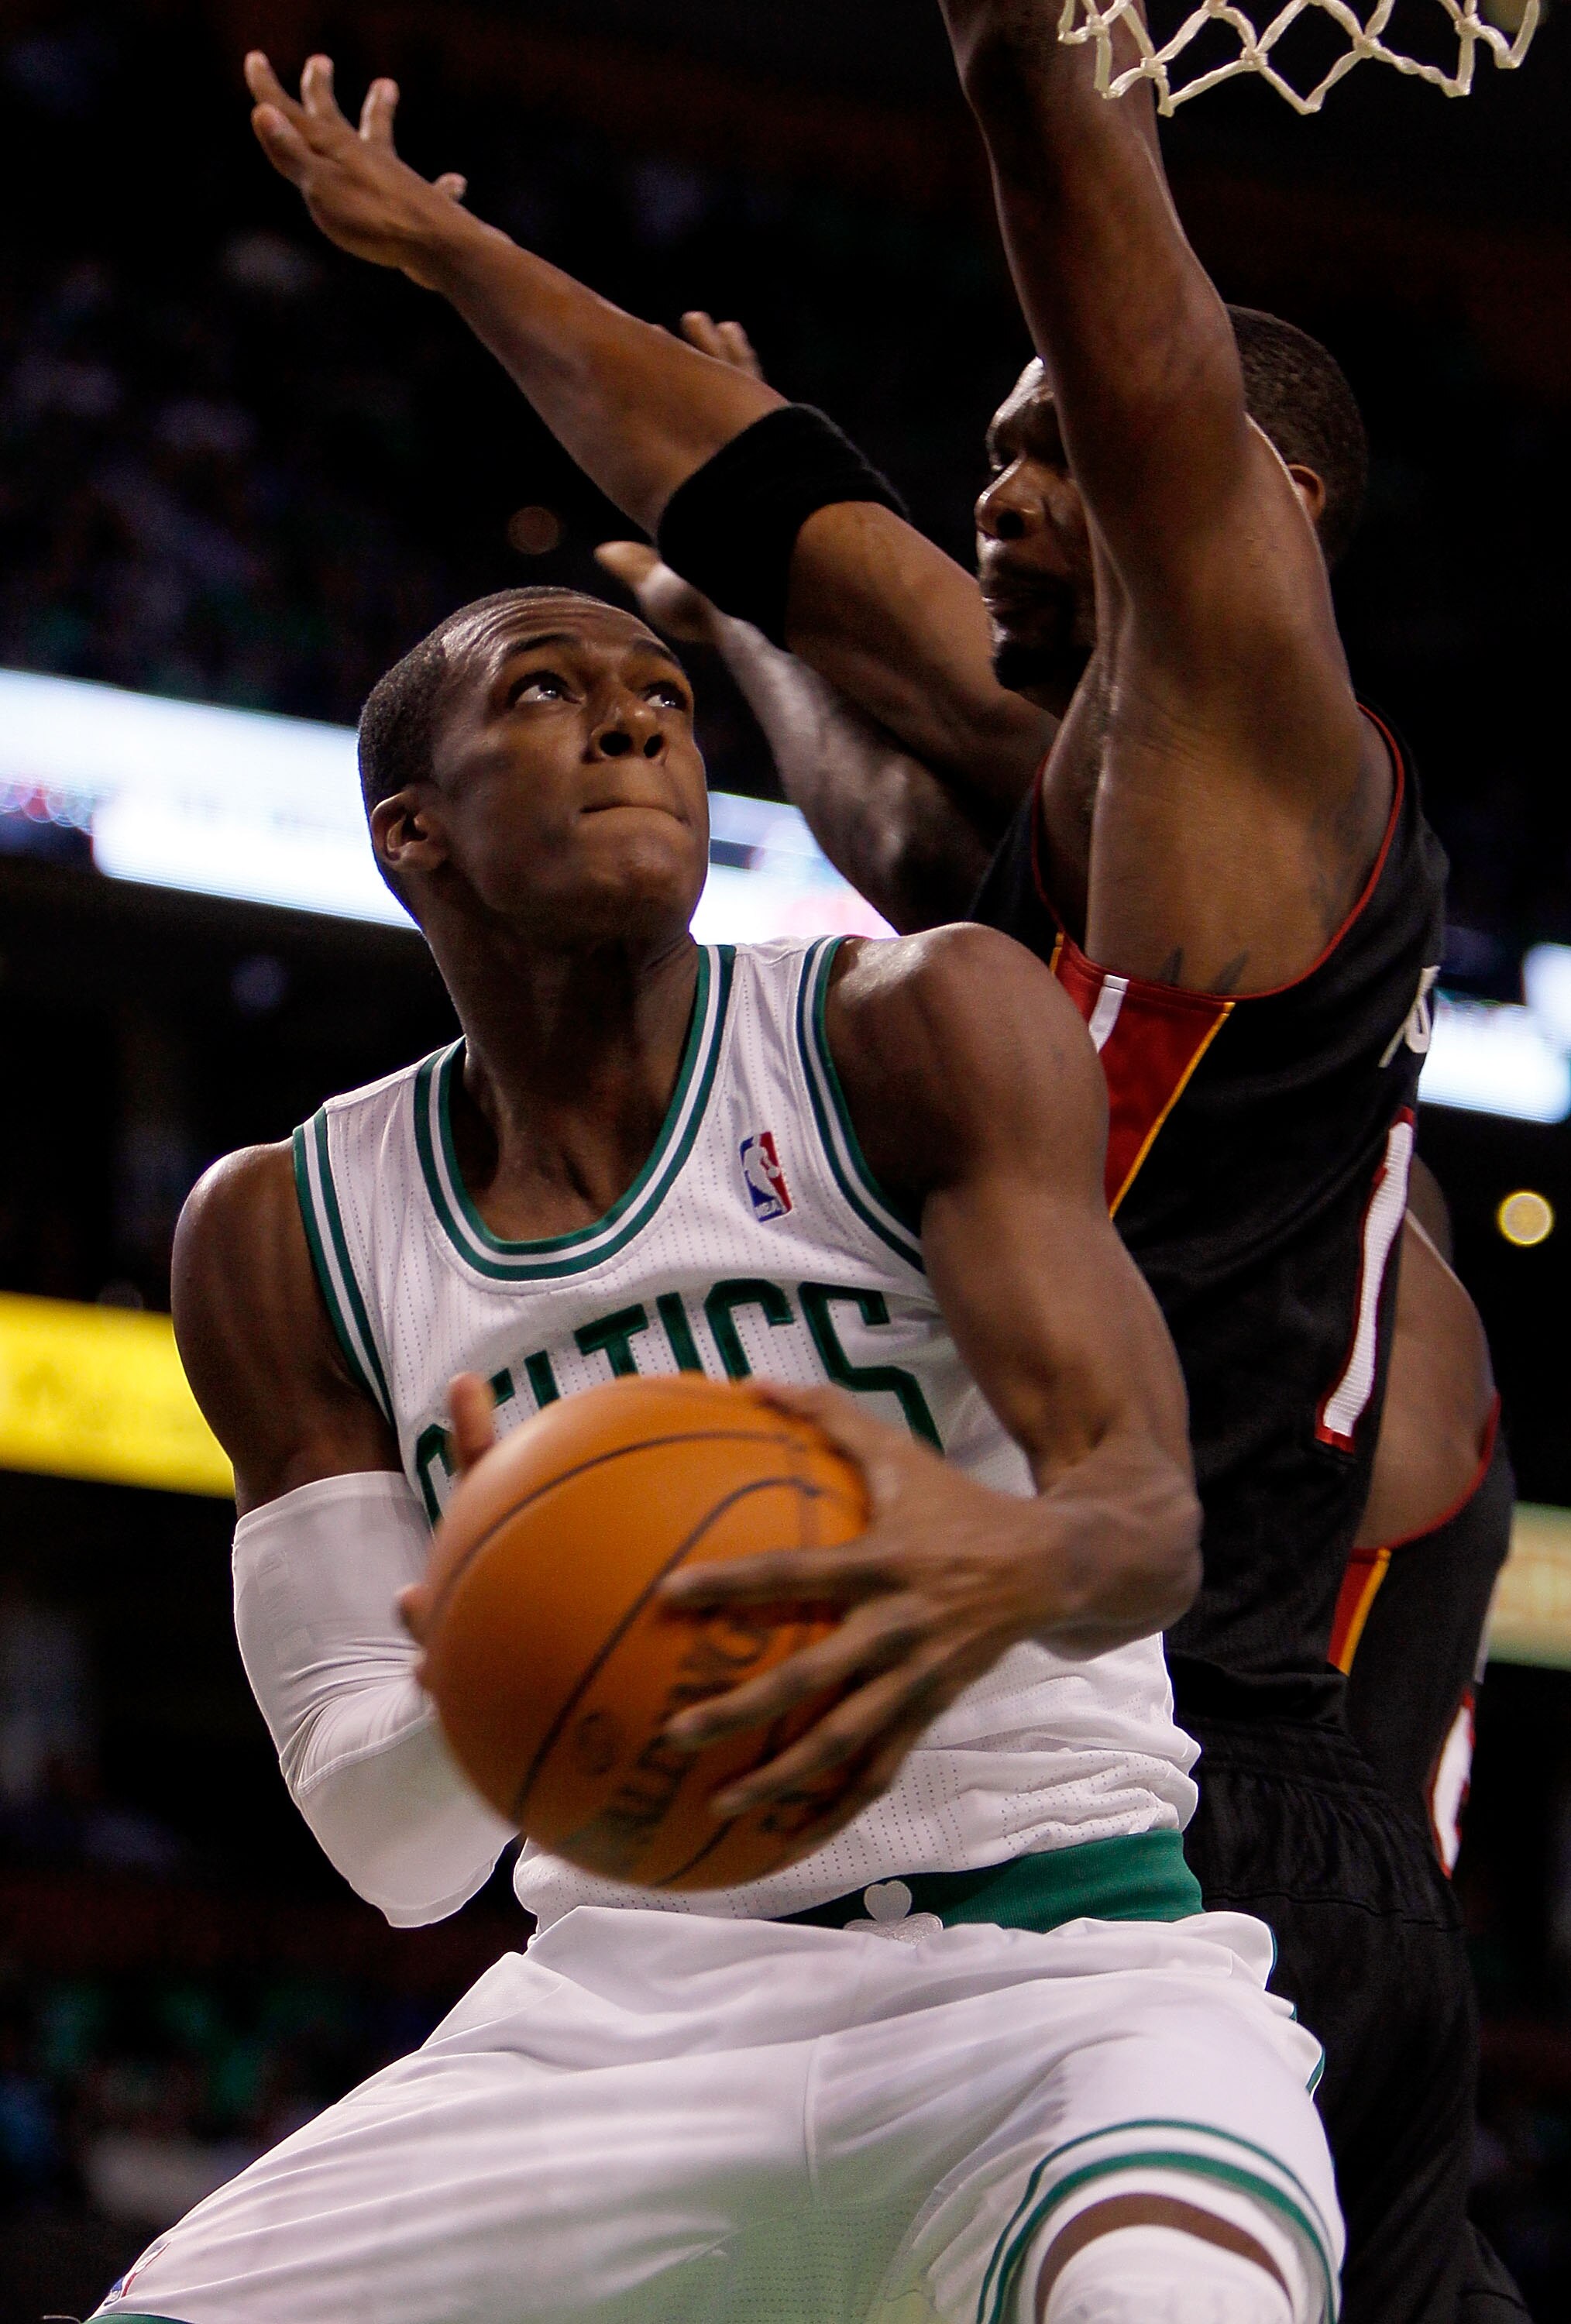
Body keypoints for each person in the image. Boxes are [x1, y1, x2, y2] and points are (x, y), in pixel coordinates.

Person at [230, 24, 1522, 2321]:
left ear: (1236, 510)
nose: (988, 499)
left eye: (1042, 458)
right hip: (1112, 1766)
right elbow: (769, 523)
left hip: (1182, 1763)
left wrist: (1036, 61)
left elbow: (1136, 376)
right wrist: (453, 253)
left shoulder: (1249, 744)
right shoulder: (1050, 805)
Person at [98, 581, 1339, 2324]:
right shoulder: (287, 1228)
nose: (634, 725)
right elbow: (395, 1859)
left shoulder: (906, 1028)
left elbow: (1144, 1524)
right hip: (627, 2018)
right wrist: (502, 1677)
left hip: (1060, 1973)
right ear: (415, 832)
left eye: (665, 698)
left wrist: (986, 1561)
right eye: (547, 691)